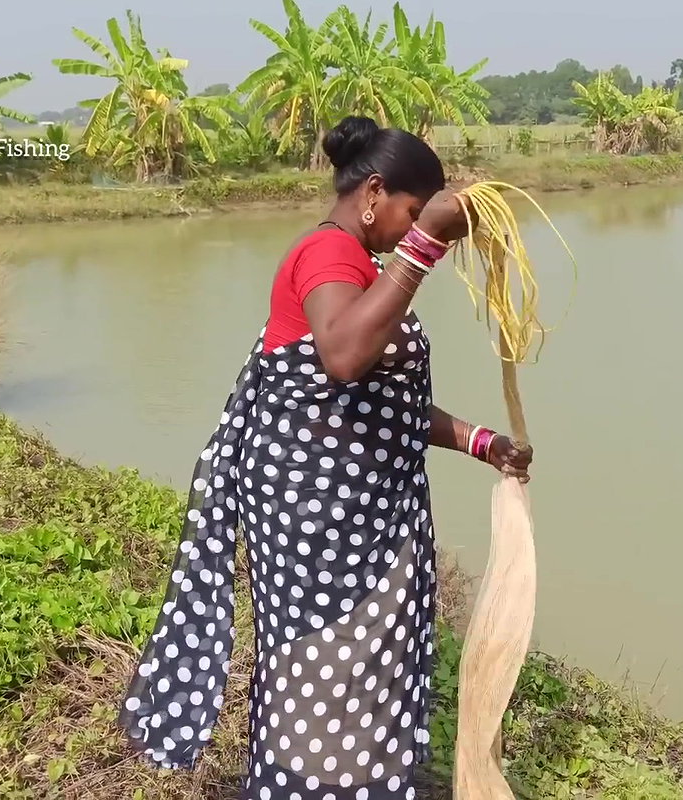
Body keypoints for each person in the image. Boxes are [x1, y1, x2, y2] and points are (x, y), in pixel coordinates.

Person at [119, 115, 534, 799]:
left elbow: (379, 405)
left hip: (356, 512)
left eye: (420, 220)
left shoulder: (361, 266)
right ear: (374, 192)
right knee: (322, 663)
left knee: (358, 667)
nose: (410, 229)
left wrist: (481, 442)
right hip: (321, 518)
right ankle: (308, 782)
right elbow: (343, 357)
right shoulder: (328, 255)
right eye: (409, 212)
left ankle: (355, 780)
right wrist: (426, 243)